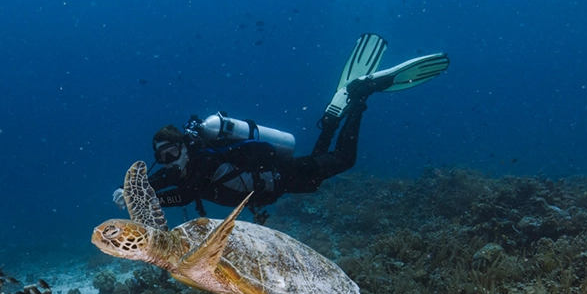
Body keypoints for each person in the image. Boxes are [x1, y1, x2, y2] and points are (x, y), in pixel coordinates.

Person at [113, 33, 450, 223]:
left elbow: (180, 192)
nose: (169, 161)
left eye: (173, 152)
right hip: (281, 183)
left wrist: (137, 197)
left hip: (283, 175)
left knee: (345, 160)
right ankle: (334, 115)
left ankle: (360, 97)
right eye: (163, 156)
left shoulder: (202, 165)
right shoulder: (183, 171)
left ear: (186, 147)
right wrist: (129, 191)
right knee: (321, 163)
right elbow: (163, 182)